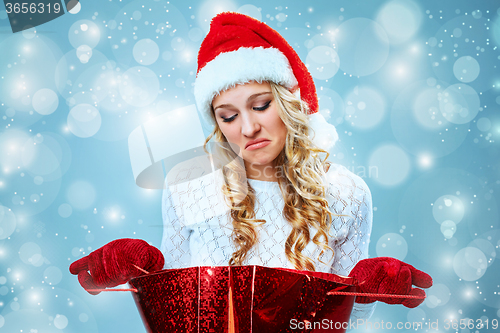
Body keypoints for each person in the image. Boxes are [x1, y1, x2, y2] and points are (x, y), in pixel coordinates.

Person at [70, 11, 432, 326]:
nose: (246, 128)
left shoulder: (347, 192)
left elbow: (342, 320)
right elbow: (179, 306)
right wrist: (145, 270)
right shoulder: (189, 184)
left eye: (260, 106)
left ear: (290, 103)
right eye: (227, 116)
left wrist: (362, 288)